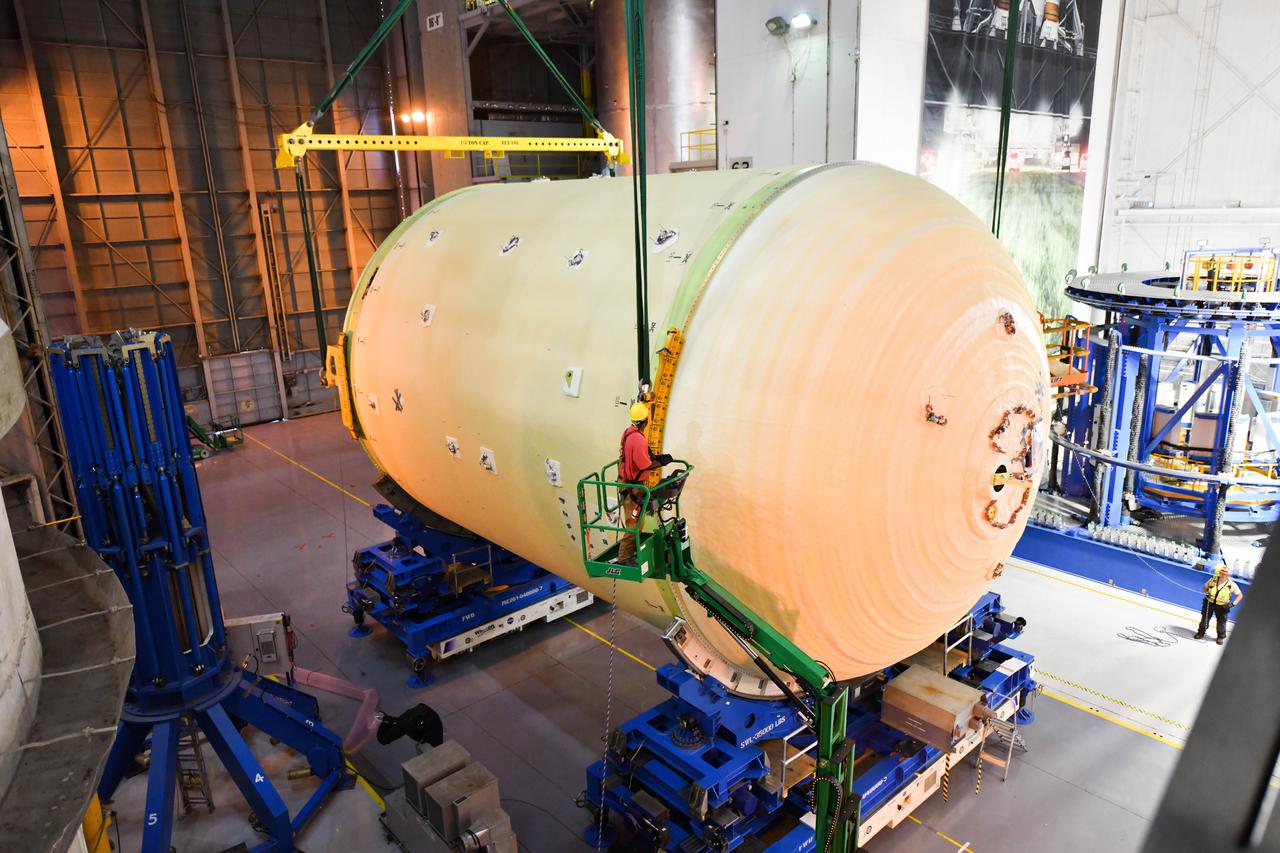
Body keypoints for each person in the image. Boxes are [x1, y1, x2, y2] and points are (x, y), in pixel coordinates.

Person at [616, 401, 672, 563]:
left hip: (628, 483)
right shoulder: (637, 439)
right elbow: (644, 465)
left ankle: (630, 552)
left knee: (637, 521)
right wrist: (661, 462)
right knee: (634, 523)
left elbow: (642, 456)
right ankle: (624, 558)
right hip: (632, 487)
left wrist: (656, 457)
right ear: (645, 420)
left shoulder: (629, 432)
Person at [1195, 565, 1243, 645]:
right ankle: (1201, 633)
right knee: (1205, 619)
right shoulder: (1213, 579)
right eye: (1222, 572)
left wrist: (1232, 604)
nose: (1223, 574)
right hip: (1209, 603)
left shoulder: (1232, 584)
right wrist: (1206, 593)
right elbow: (1205, 587)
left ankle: (1220, 637)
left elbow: (1240, 595)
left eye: (1225, 573)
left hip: (1222, 606)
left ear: (1228, 575)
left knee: (1221, 622)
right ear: (1219, 573)